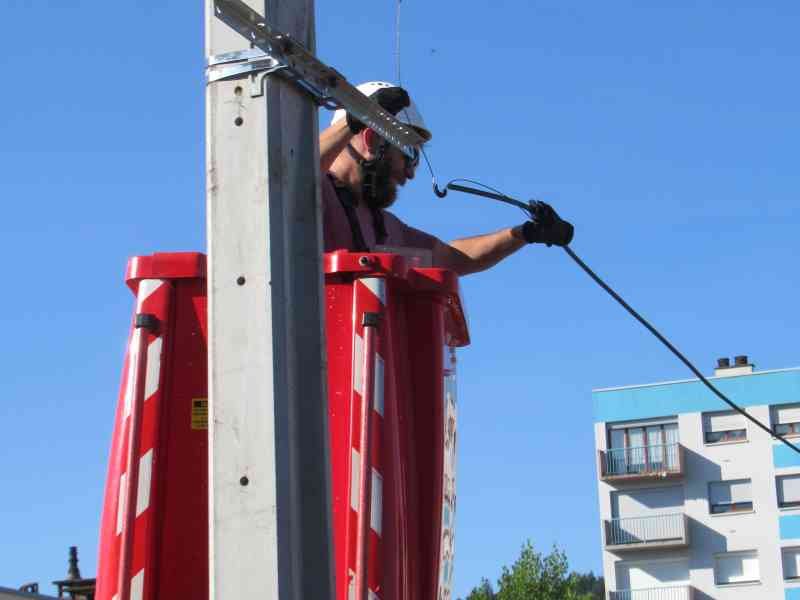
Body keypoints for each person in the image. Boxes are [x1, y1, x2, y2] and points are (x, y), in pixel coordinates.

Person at [319, 81, 573, 276]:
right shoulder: (309, 189)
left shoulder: (384, 227)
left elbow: (452, 258)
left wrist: (525, 233)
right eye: (409, 153)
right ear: (372, 139)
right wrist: (359, 117)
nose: (411, 172)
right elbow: (289, 169)